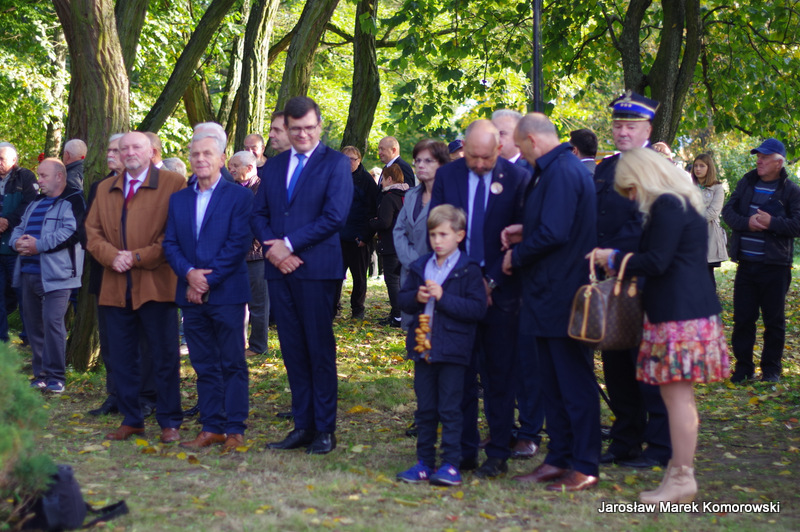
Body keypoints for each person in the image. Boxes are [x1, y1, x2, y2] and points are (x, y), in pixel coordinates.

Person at [590, 148, 729, 504]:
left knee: (677, 399)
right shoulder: (679, 201)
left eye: (631, 188)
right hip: (680, 311)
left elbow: (657, 261)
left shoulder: (669, 204)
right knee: (676, 398)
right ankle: (678, 473)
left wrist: (614, 257)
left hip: (679, 314)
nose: (631, 197)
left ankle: (682, 476)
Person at [503, 113, 599, 492]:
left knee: (574, 384)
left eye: (520, 145)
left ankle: (584, 464)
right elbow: (553, 223)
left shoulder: (561, 171)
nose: (520, 153)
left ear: (531, 139)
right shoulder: (553, 169)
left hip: (564, 294)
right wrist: (524, 229)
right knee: (553, 385)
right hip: (545, 293)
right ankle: (559, 458)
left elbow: (556, 233)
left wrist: (516, 255)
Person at [252, 96, 353, 455]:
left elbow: (335, 216)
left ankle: (324, 429)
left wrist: (289, 245)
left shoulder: (336, 163)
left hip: (317, 270)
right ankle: (302, 425)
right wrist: (273, 249)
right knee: (292, 349)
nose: (303, 135)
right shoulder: (274, 166)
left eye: (310, 128)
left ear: (320, 126)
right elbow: (258, 213)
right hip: (279, 270)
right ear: (287, 128)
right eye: (296, 129)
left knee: (318, 348)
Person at [430, 119, 530, 479]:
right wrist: (463, 284)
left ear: (499, 149)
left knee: (499, 377)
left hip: (502, 294)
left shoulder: (518, 178)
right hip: (457, 292)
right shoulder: (449, 176)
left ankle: (499, 451)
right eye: (472, 156)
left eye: (486, 157)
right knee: (460, 376)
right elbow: (436, 228)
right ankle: (464, 449)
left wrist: (490, 282)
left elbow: (522, 238)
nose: (479, 163)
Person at [85, 131, 186, 443]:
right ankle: (132, 420)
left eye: (136, 147)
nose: (129, 152)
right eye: (123, 148)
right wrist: (112, 256)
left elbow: (175, 233)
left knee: (164, 356)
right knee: (122, 357)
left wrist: (138, 256)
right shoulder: (105, 188)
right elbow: (92, 232)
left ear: (151, 152)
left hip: (157, 285)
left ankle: (169, 421)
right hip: (115, 286)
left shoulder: (173, 183)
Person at [593, 91, 671, 469]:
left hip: (644, 278)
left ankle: (659, 445)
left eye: (631, 126)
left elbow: (648, 224)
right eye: (618, 125)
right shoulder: (606, 167)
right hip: (610, 281)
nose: (622, 132)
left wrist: (614, 257)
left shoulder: (657, 169)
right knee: (616, 363)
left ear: (648, 130)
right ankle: (625, 438)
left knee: (648, 365)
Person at [163, 131, 254, 450]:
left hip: (227, 293)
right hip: (190, 294)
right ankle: (212, 426)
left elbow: (238, 243)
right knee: (203, 364)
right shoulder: (179, 199)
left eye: (207, 154)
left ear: (221, 159)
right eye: (195, 154)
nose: (200, 159)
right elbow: (170, 243)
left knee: (233, 362)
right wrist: (190, 275)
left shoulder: (240, 197)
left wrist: (205, 280)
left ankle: (235, 429)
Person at [395, 205, 487, 486]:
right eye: (433, 234)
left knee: (450, 408)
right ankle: (424, 462)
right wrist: (417, 297)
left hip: (453, 350)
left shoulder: (468, 269)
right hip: (423, 347)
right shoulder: (421, 265)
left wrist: (443, 297)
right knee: (425, 409)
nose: (437, 240)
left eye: (443, 235)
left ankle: (450, 463)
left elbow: (477, 309)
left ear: (459, 235)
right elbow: (403, 299)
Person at [722, 138, 800, 384]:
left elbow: (797, 225)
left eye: (764, 157)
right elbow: (728, 212)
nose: (759, 160)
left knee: (773, 321)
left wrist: (771, 223)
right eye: (758, 156)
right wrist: (747, 223)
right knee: (743, 319)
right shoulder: (747, 182)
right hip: (746, 264)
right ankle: (744, 368)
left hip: (775, 266)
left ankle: (771, 369)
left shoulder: (791, 191)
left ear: (779, 162)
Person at [11, 158, 85, 393]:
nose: (39, 181)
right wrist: (16, 243)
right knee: (34, 326)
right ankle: (40, 375)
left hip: (58, 275)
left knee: (53, 323)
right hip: (28, 272)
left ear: (59, 176)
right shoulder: (36, 202)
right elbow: (20, 227)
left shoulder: (73, 200)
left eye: (43, 176)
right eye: (39, 176)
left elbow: (71, 232)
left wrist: (38, 245)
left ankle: (56, 377)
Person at [86, 133, 124, 416]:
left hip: (139, 271)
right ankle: (114, 395)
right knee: (110, 340)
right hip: (105, 272)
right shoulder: (99, 187)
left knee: (139, 341)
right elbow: (88, 230)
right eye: (108, 150)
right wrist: (109, 255)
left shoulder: (151, 186)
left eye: (115, 150)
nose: (109, 155)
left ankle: (144, 396)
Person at [393, 139, 449, 330]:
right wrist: (413, 262)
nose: (421, 165)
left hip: (440, 276)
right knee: (413, 337)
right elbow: (399, 230)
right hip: (411, 273)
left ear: (441, 164)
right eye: (418, 160)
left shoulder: (450, 196)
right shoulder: (411, 195)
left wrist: (428, 265)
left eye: (428, 161)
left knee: (437, 333)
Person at [229, 151, 269, 356]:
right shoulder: (230, 189)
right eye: (230, 166)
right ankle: (237, 342)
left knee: (258, 304)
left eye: (235, 166)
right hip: (234, 256)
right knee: (235, 303)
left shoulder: (264, 190)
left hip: (257, 255)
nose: (231, 170)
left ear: (250, 168)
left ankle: (258, 346)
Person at [0, 142, 37, 344]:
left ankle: (29, 338)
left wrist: (8, 221)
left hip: (17, 248)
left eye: (1, 159)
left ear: (14, 160)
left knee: (23, 295)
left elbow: (31, 205)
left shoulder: (26, 177)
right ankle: (2, 340)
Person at [339, 146, 378, 321]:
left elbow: (372, 211)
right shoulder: (335, 177)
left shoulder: (367, 181)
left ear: (359, 160)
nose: (349, 163)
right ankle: (333, 308)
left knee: (359, 277)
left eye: (352, 159)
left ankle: (357, 310)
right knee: (335, 276)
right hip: (338, 237)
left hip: (358, 238)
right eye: (345, 159)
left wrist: (364, 236)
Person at [369, 164, 408, 327]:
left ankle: (398, 315)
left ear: (390, 179)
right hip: (405, 244)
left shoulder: (389, 197)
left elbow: (385, 222)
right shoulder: (407, 195)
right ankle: (399, 313)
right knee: (401, 280)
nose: (382, 183)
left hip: (391, 244)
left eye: (383, 179)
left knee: (392, 281)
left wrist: (372, 222)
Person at [691, 153, 728, 288]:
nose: (698, 169)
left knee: (706, 272)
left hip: (709, 235)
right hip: (690, 236)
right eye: (696, 166)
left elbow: (712, 212)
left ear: (709, 168)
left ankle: (709, 300)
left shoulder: (717, 188)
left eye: (702, 166)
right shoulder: (688, 186)